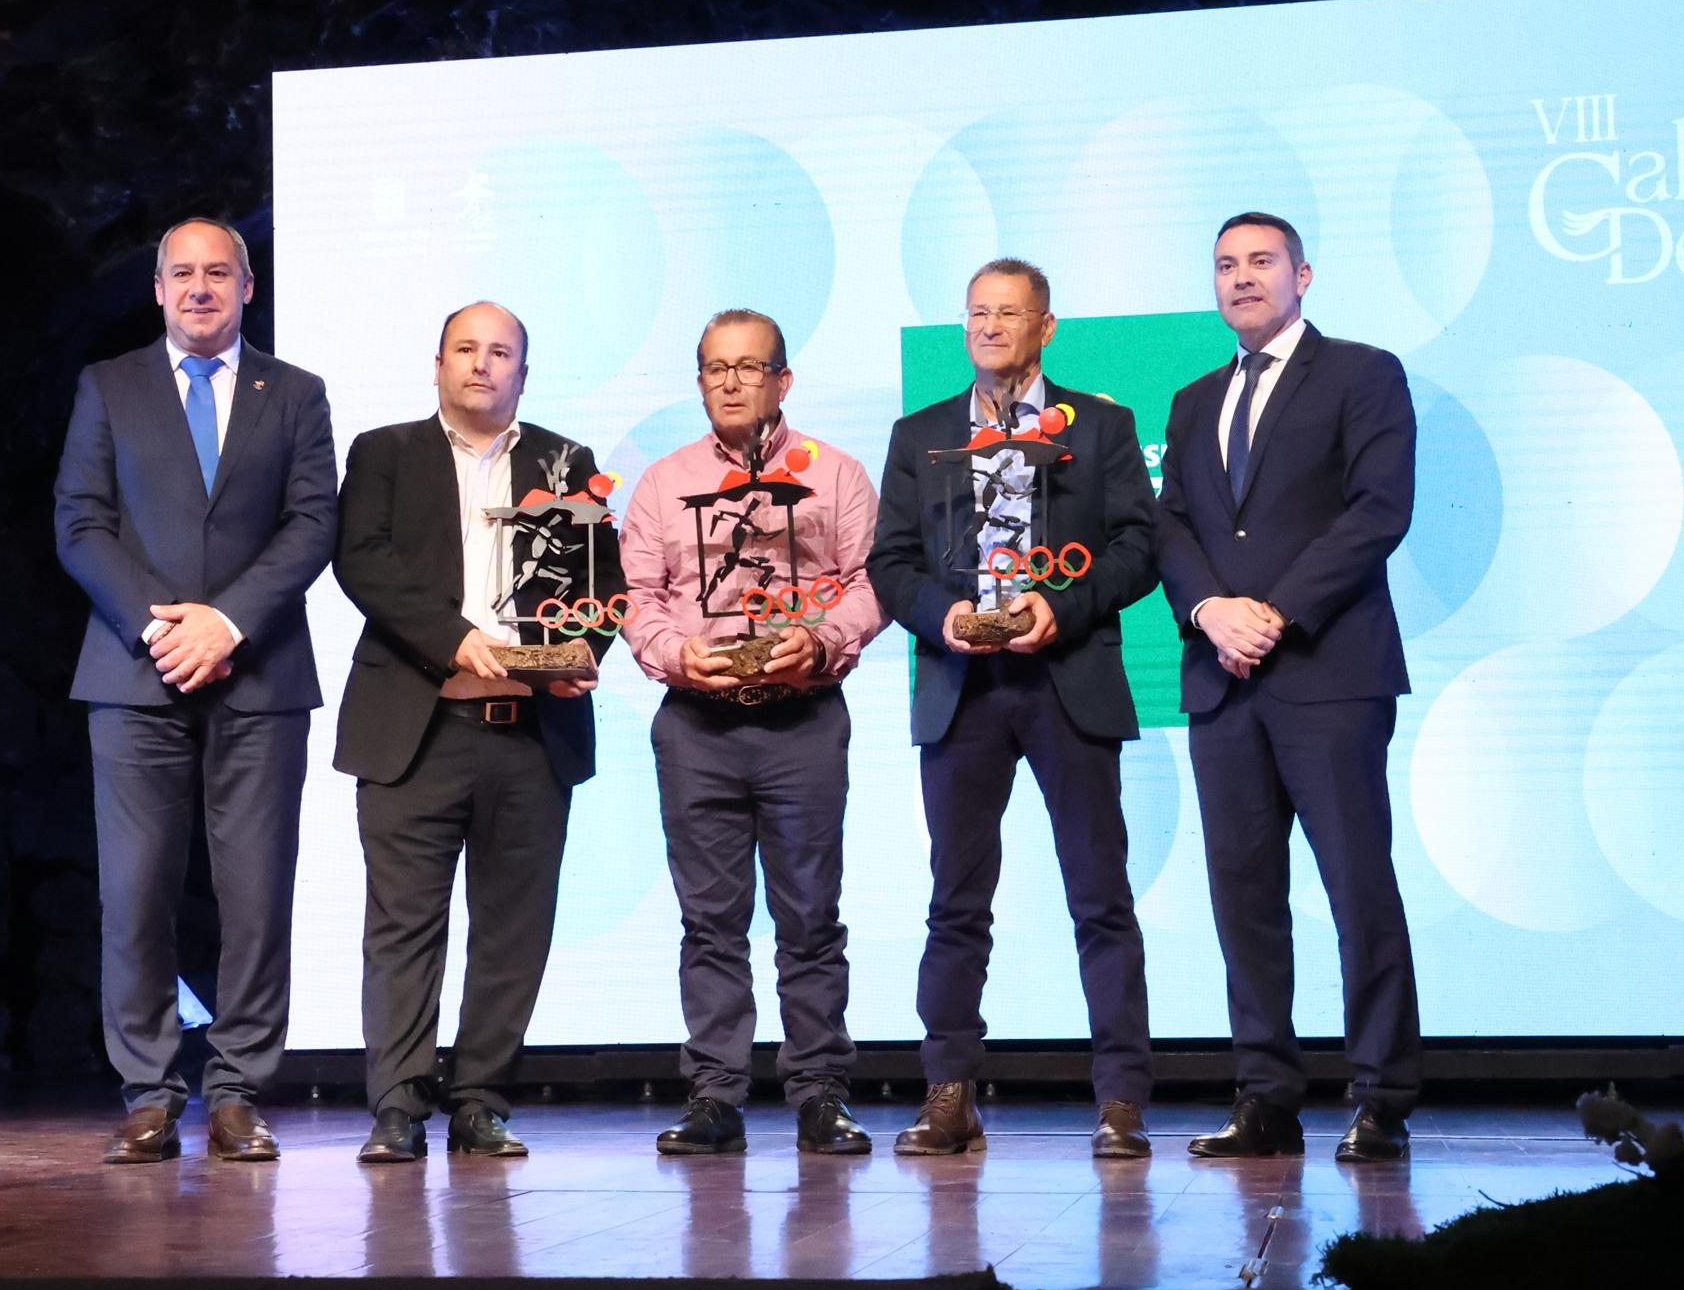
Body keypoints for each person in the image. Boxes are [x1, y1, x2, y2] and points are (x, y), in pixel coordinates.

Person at [54, 217, 338, 1165]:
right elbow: (80, 523)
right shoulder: (108, 385)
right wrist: (162, 624)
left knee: (254, 897)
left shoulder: (295, 393)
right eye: (183, 273)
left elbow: (310, 525)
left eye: (219, 272)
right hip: (134, 675)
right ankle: (146, 1091)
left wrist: (227, 624)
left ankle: (237, 1094)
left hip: (257, 676)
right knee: (134, 895)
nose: (201, 287)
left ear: (248, 287)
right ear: (158, 290)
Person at [868, 259, 1161, 1159]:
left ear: (1046, 326)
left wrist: (1058, 607)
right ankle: (948, 1093)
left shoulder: (1102, 424)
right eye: (976, 313)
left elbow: (1139, 547)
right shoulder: (918, 434)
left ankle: (1119, 1101)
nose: (990, 327)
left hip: (1064, 677)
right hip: (963, 690)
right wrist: (942, 614)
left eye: (1009, 313)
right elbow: (890, 561)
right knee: (955, 902)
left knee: (1099, 898)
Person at [1153, 212, 1420, 1162]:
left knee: (1357, 887)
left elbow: (1378, 509)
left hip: (1327, 673)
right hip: (1221, 682)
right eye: (1224, 264)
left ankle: (1382, 1095)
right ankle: (1265, 1093)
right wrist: (1208, 613)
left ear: (1302, 273)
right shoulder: (1190, 400)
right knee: (1244, 898)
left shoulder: (1362, 372)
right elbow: (1170, 526)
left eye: (1260, 261)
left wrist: (1272, 610)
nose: (1241, 278)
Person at [332, 302, 624, 1163]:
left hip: (531, 732)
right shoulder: (383, 452)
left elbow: (603, 580)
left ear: (523, 374)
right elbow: (364, 563)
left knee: (513, 925)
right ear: (437, 364)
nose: (481, 365)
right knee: (402, 924)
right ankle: (395, 1102)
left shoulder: (566, 462)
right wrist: (454, 639)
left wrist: (581, 650)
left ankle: (480, 1099)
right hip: (414, 726)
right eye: (466, 349)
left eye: (501, 353)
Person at [619, 310, 885, 1156]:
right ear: (700, 383)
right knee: (710, 921)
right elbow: (637, 597)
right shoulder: (663, 482)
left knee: (810, 916)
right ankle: (714, 1096)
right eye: (714, 369)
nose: (730, 382)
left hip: (802, 718)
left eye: (748, 367)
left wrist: (825, 637)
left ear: (783, 379)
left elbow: (874, 581)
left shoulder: (835, 474)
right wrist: (671, 653)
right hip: (697, 724)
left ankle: (819, 1092)